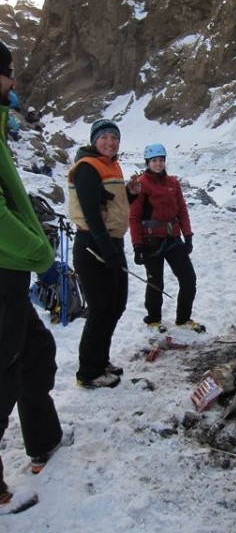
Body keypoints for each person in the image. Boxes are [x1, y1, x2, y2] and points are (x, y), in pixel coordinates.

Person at [0, 40, 64, 509]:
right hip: (4, 271)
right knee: (3, 374)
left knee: (35, 350)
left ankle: (44, 438)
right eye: (7, 73)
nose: (13, 82)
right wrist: (40, 253)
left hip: (9, 274)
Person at [67, 118, 140, 389]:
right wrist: (107, 250)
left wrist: (130, 194)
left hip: (110, 243)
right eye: (105, 137)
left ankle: (100, 359)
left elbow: (110, 204)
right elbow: (91, 214)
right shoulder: (87, 168)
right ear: (94, 140)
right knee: (100, 309)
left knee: (116, 305)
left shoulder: (112, 165)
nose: (110, 142)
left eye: (115, 137)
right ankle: (88, 372)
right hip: (92, 244)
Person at [129, 143, 205, 333]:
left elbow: (182, 211)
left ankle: (183, 319)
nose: (158, 164)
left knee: (188, 279)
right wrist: (137, 245)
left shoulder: (173, 183)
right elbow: (135, 217)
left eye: (161, 160)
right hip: (150, 242)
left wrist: (188, 236)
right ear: (148, 162)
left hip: (173, 239)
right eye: (154, 160)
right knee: (156, 283)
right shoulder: (141, 184)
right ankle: (153, 320)